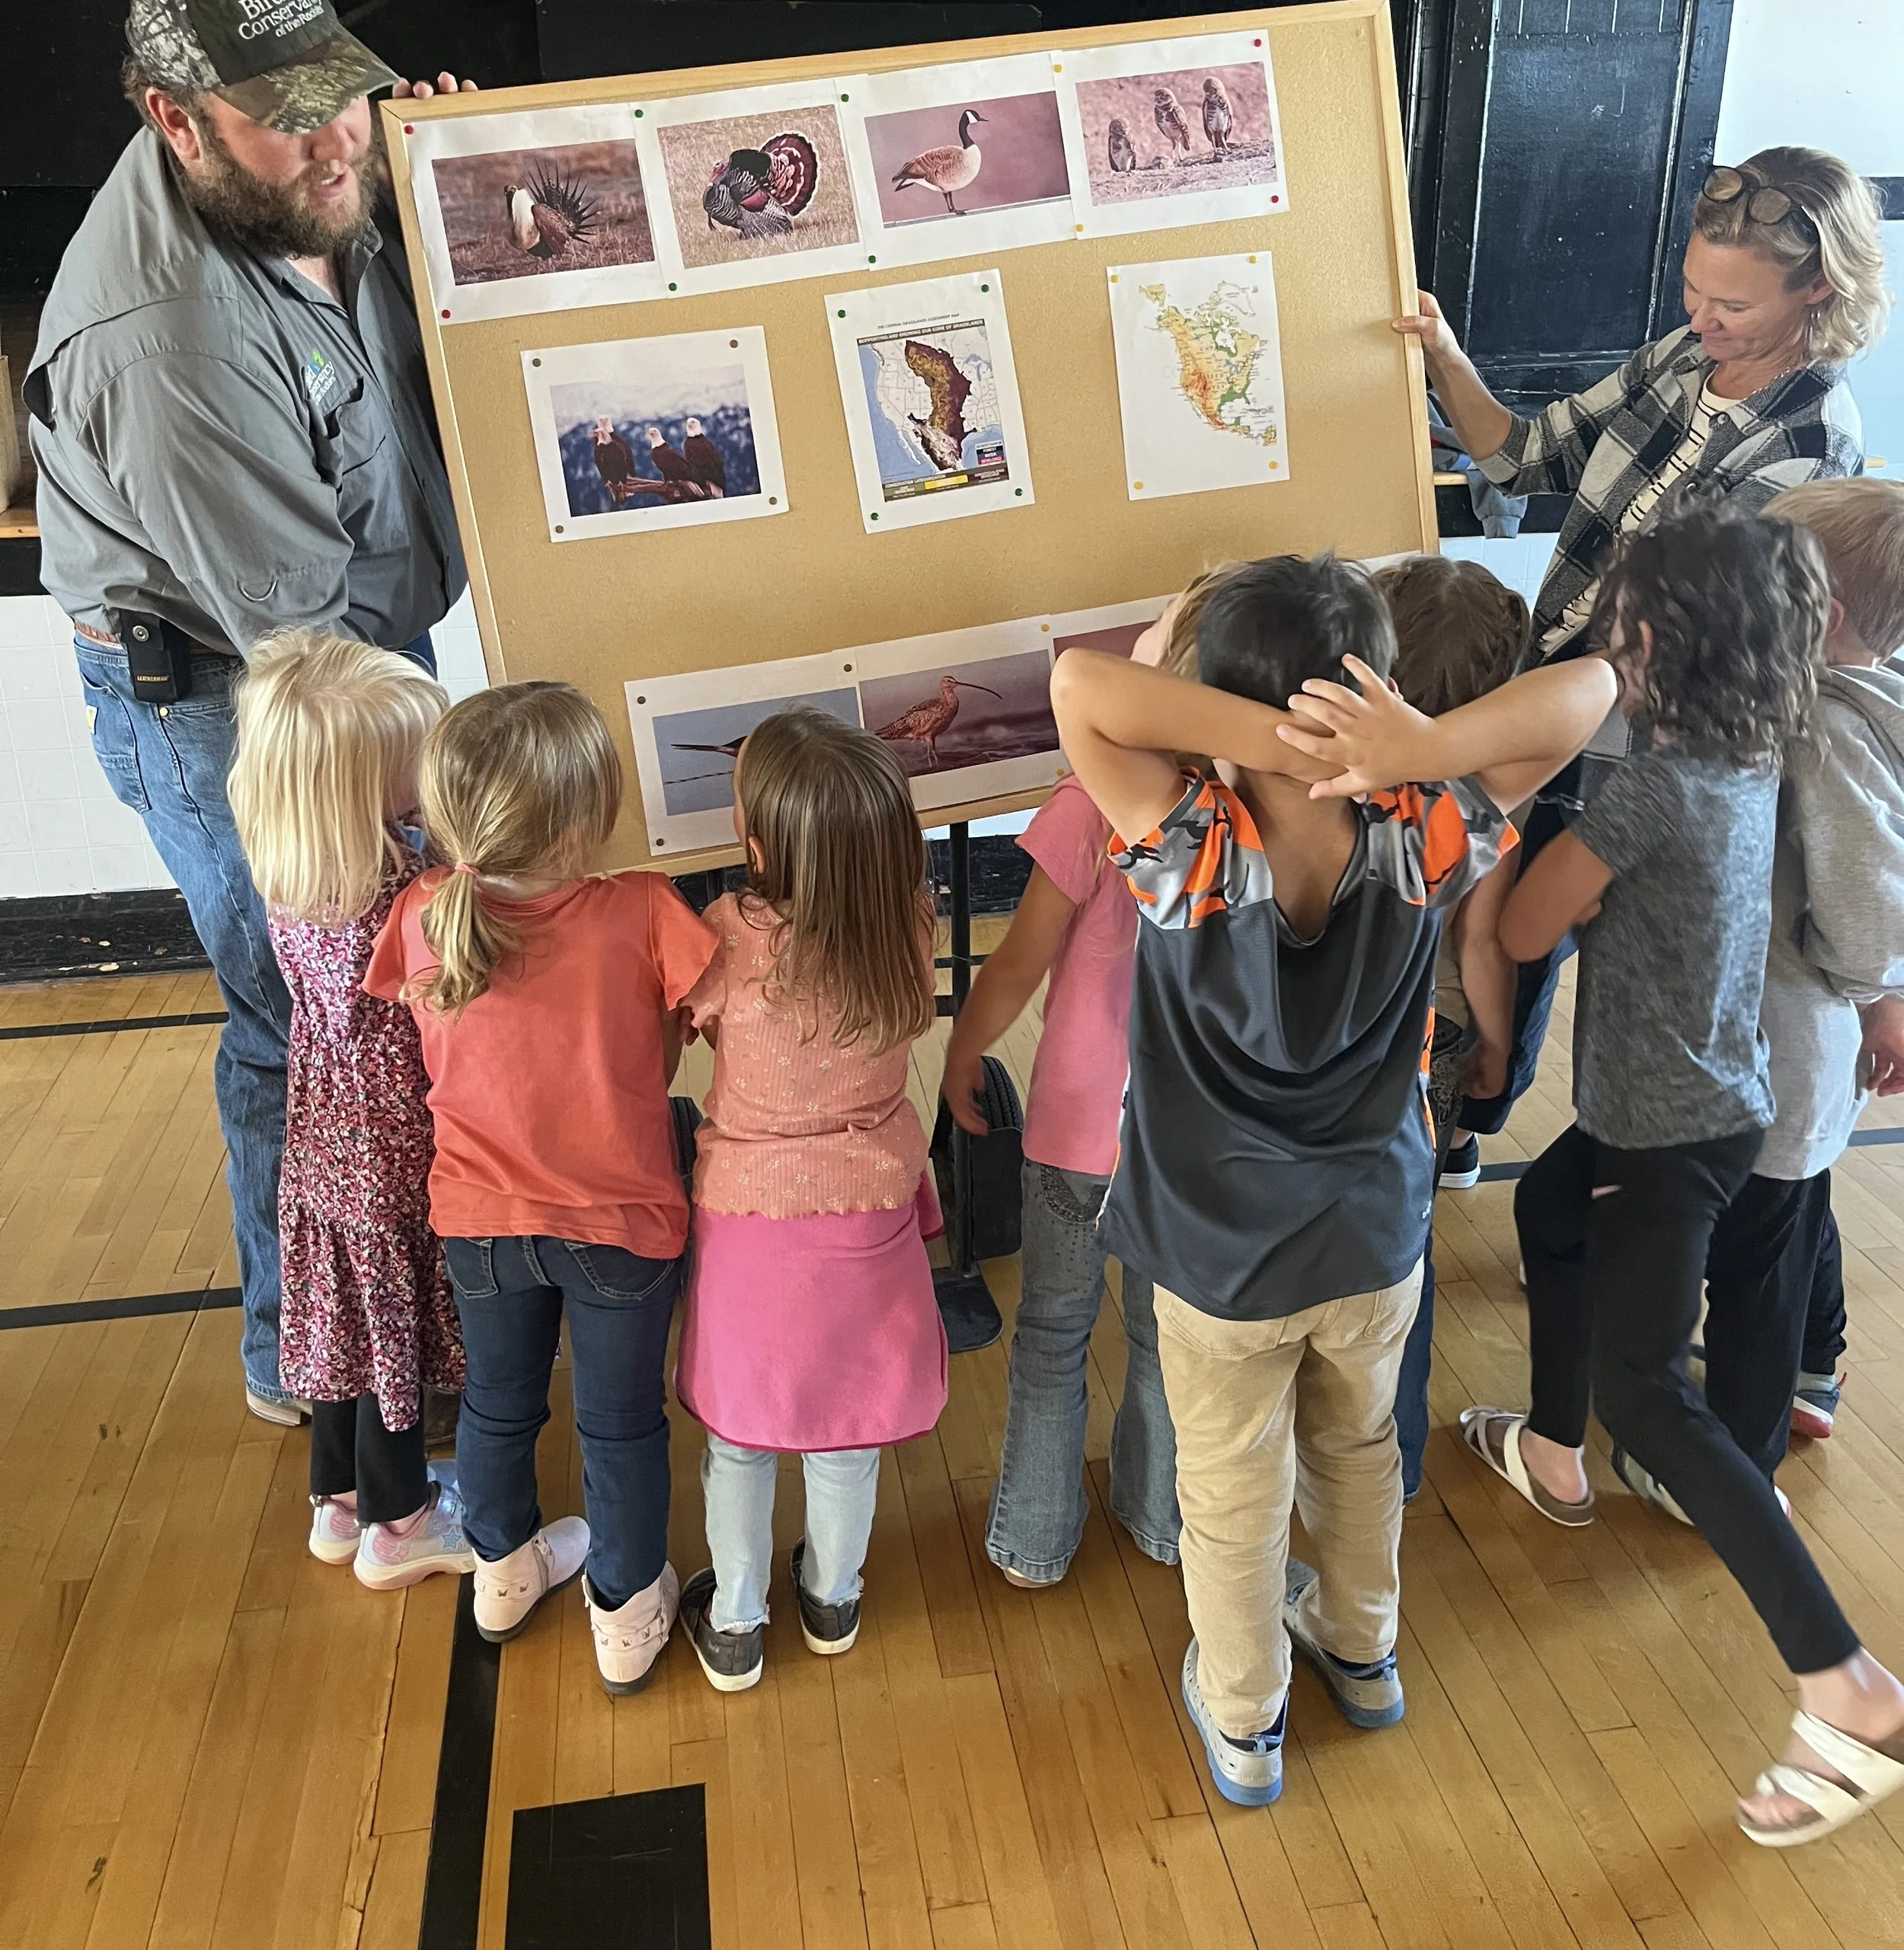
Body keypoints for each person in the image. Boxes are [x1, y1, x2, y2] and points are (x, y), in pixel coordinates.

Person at [1337, 504, 1904, 1850]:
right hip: (1709, 1105)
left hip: (1669, 1127)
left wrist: (1508, 846)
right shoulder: (1751, 741)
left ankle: (1846, 1679)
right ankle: (1554, 1456)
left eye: (1624, 622)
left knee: (1645, 1390)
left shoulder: (1650, 784)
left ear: (1657, 639)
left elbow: (1529, 922)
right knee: (1549, 1212)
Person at [1049, 558, 1608, 1808]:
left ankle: (1245, 1719)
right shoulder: (1423, 818)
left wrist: (1273, 740)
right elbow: (1593, 686)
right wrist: (1393, 743)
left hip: (1219, 1255)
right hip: (1372, 1230)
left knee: (1234, 1488)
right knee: (1358, 1452)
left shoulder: (1186, 837)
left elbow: (1084, 683)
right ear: (1379, 687)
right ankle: (1365, 1651)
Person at [27, 0, 477, 1426]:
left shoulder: (308, 148)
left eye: (345, 88)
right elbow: (307, 647)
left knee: (383, 989)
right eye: (290, 117)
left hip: (339, 640)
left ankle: (398, 1284)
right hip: (236, 697)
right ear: (173, 119)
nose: (337, 132)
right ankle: (308, 1355)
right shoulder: (171, 340)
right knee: (308, 1007)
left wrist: (446, 189)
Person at [1394, 148, 1885, 1143]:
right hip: (1548, 691)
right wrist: (1443, 349)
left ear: (1817, 293)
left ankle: (1529, 1141)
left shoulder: (1812, 438)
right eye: (1693, 290)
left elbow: (1694, 640)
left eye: (1734, 307)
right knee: (1482, 929)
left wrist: (1454, 739)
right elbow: (1524, 457)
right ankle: (1463, 1114)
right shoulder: (1679, 356)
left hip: (1641, 736)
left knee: (1562, 947)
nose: (1703, 321)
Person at [366, 682, 719, 1696]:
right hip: (621, 1223)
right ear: (587, 812)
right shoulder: (644, 908)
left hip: (479, 1223)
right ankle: (624, 1605)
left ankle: (503, 1571)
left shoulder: (426, 912)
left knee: (499, 1405)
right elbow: (712, 1015)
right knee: (621, 1425)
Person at [941, 577, 1237, 1589]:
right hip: (1185, 1144)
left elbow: (1020, 962)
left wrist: (960, 1048)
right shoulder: (1242, 812)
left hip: (1073, 1137)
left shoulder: (1085, 801)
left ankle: (1032, 1538)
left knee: (1052, 1334)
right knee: (1165, 1343)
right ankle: (1162, 1519)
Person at [673, 709, 947, 1692]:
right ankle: (834, 1596)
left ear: (755, 844)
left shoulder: (727, 939)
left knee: (740, 1438)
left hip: (749, 1217)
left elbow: (687, 1030)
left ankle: (738, 1620)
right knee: (848, 1431)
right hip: (871, 1211)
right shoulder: (908, 921)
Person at [228, 631, 469, 1587]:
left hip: (323, 1125)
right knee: (391, 1329)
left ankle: (338, 1499)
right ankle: (402, 1522)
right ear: (355, 791)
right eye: (412, 775)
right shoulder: (396, 894)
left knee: (345, 1318)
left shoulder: (294, 872)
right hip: (391, 1134)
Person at [1695, 485, 1904, 1482]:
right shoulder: (1856, 695)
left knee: (1757, 1249)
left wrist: (1873, 986)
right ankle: (1813, 1368)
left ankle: (1736, 1459)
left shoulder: (1820, 724)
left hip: (1787, 1036)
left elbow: (1864, 891)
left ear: (1813, 618)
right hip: (1810, 1035)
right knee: (1796, 1205)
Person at [1370, 555, 1530, 1499]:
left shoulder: (1340, 781)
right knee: (1408, 1248)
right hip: (1432, 1041)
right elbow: (1482, 946)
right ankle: (1398, 1460)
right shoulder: (1482, 803)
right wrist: (1498, 1051)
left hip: (1344, 1033)